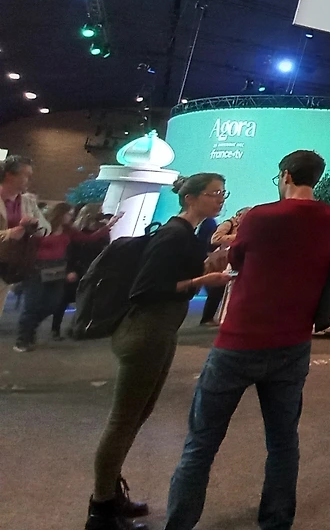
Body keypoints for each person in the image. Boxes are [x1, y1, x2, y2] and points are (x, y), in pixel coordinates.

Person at [165, 150, 330, 530]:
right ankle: (276, 522)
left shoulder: (260, 217)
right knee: (283, 443)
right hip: (293, 344)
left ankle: (179, 523)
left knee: (201, 444)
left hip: (239, 341)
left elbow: (236, 259)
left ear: (285, 176)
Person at [85, 174, 232, 530]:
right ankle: (101, 509)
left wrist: (209, 263)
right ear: (191, 198)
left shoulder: (187, 234)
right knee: (123, 421)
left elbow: (173, 275)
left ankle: (110, 494)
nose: (220, 199)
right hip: (145, 332)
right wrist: (202, 281)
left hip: (160, 332)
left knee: (137, 416)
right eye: (213, 193)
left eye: (222, 193)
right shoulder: (173, 234)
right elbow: (147, 289)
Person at [15, 201, 114, 352]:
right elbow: (27, 244)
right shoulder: (42, 227)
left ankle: (30, 327)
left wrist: (108, 226)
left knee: (53, 304)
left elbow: (88, 238)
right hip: (37, 269)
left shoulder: (68, 230)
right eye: (69, 214)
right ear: (60, 214)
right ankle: (23, 339)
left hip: (58, 269)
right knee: (31, 305)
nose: (71, 217)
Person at [1, 154, 45, 314]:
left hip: (9, 267)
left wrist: (34, 224)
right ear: (9, 175)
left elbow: (46, 229)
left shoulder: (28, 202)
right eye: (26, 175)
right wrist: (10, 233)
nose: (29, 180)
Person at [201, 208, 247, 325]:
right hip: (222, 261)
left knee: (227, 288)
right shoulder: (228, 224)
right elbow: (215, 239)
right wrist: (238, 237)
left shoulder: (242, 226)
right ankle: (208, 317)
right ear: (239, 215)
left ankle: (221, 317)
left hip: (231, 262)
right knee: (218, 289)